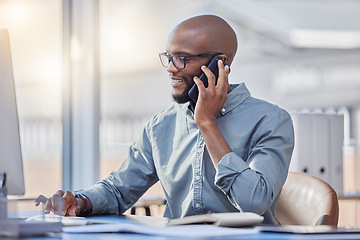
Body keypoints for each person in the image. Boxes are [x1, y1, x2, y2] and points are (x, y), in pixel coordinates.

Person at [36, 14, 294, 224]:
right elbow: (119, 189)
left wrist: (207, 124)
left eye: (182, 58)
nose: (171, 68)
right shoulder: (162, 125)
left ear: (219, 63)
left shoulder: (271, 121)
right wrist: (80, 201)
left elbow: (255, 202)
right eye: (169, 57)